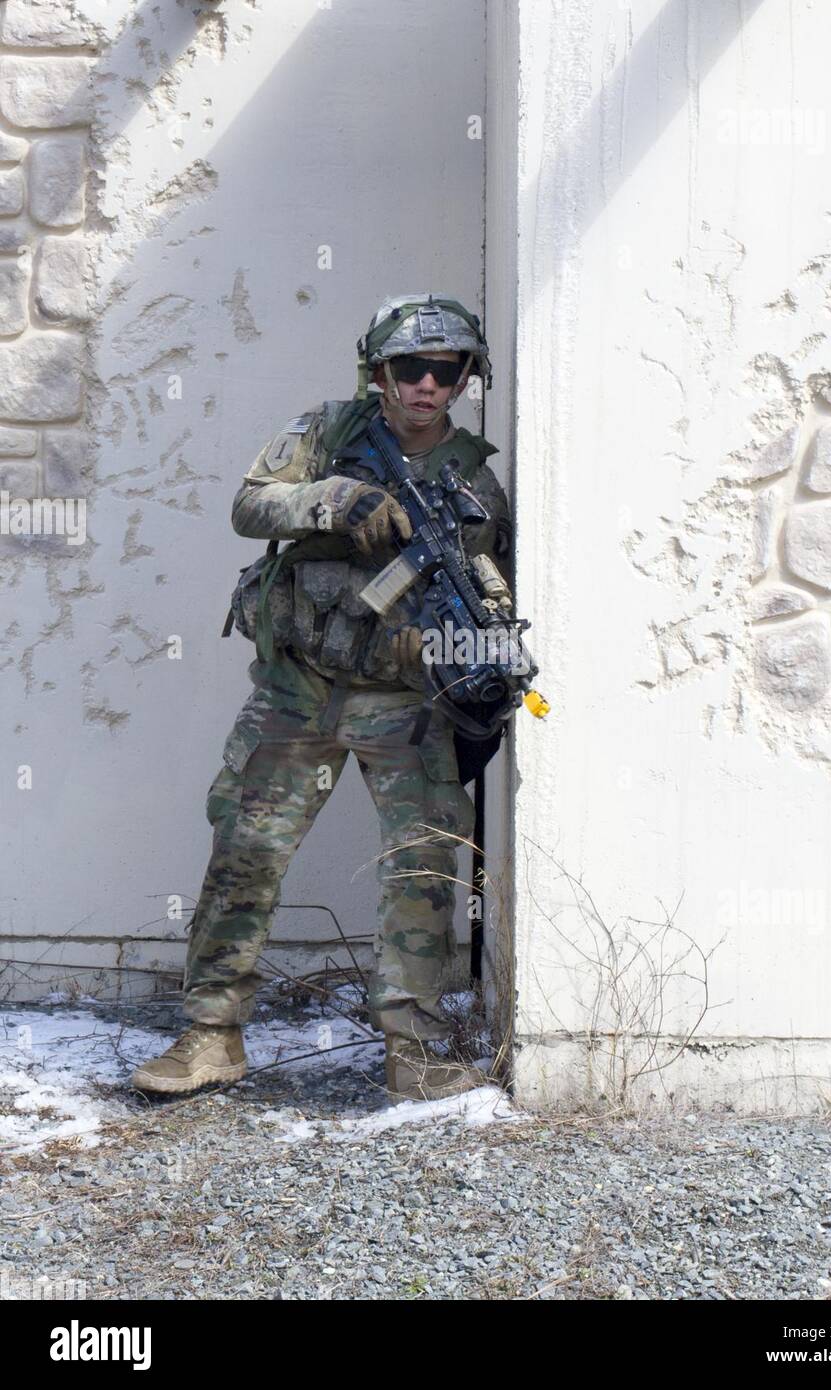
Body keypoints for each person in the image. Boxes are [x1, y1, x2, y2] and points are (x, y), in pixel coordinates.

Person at [131, 294, 513, 1102]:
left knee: (424, 868)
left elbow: (488, 587)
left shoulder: (473, 478)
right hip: (296, 689)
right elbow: (249, 503)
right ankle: (209, 1035)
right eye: (409, 368)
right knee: (245, 854)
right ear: (378, 373)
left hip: (405, 702)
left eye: (446, 372)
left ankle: (414, 1048)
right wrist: (333, 500)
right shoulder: (329, 433)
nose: (426, 386)